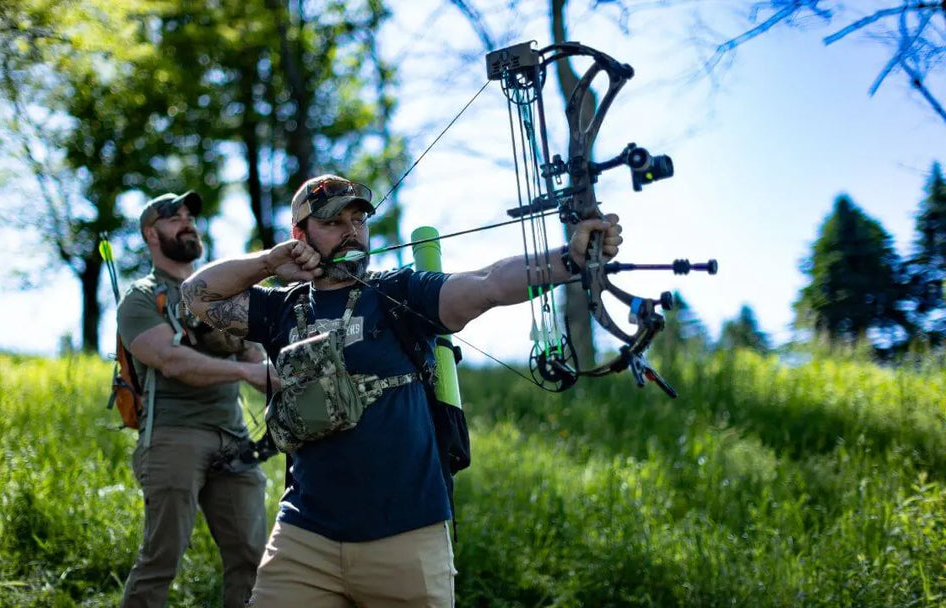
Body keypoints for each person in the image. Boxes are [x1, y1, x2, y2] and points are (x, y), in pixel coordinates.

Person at [180, 175, 622, 607]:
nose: (352, 232)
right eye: (334, 223)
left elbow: (488, 282)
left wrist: (568, 259)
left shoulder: (400, 294)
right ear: (301, 234)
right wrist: (269, 264)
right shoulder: (282, 308)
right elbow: (196, 294)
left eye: (359, 220)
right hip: (304, 537)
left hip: (406, 538)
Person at [117, 190, 273, 608]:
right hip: (173, 435)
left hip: (234, 438)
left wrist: (251, 353)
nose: (187, 222)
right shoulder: (140, 298)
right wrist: (246, 371)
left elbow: (254, 351)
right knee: (160, 560)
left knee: (252, 560)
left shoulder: (216, 293)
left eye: (190, 215)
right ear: (151, 234)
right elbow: (171, 361)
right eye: (173, 217)